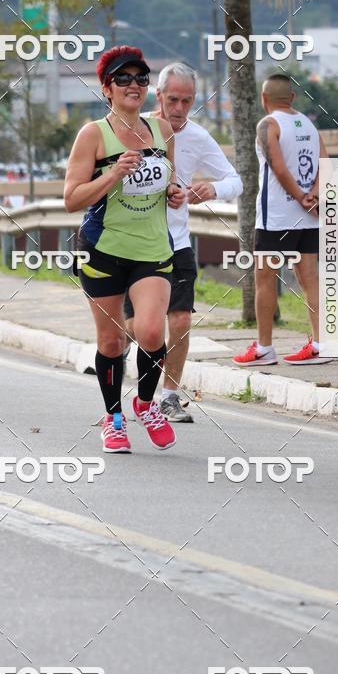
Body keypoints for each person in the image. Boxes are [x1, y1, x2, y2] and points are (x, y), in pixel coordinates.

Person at [64, 45, 185, 453]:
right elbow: (71, 198)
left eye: (140, 78)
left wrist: (174, 192)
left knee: (151, 330)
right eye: (123, 78)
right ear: (107, 88)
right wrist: (114, 173)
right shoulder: (93, 134)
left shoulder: (162, 130)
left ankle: (146, 404)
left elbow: (168, 179)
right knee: (112, 342)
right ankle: (113, 418)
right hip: (103, 250)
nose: (134, 85)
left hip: (152, 249)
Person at [125, 62, 243, 422]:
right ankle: (124, 350)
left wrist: (213, 189)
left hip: (175, 243)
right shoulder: (133, 129)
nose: (178, 109)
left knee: (179, 322)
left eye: (187, 101)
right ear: (157, 95)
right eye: (172, 99)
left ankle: (169, 396)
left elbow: (234, 180)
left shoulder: (197, 136)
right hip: (133, 244)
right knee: (138, 328)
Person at [233, 73, 331, 366]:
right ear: (292, 98)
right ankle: (319, 344)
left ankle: (264, 348)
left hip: (275, 217)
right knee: (310, 279)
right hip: (308, 218)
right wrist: (312, 195)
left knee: (264, 279)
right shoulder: (310, 125)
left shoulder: (268, 124)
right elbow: (326, 164)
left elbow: (277, 167)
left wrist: (300, 196)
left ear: (264, 100)